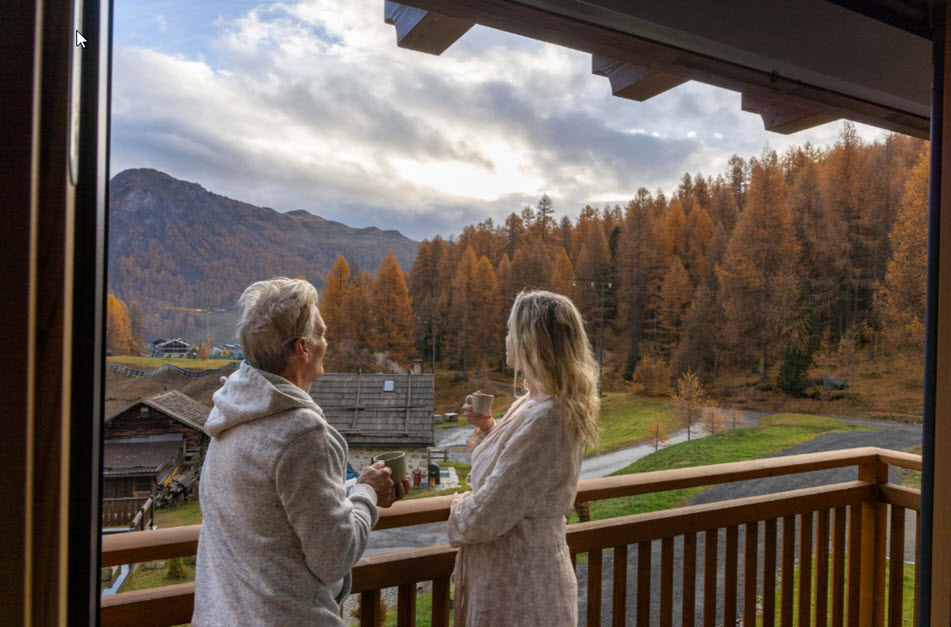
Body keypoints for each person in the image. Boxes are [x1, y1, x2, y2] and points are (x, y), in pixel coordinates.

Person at [193, 278, 410, 625]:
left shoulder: (230, 415)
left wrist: (356, 491)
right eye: (321, 334)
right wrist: (368, 491)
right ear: (302, 348)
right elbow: (334, 556)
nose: (327, 342)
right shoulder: (300, 433)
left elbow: (277, 513)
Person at [448, 289, 600, 626]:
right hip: (510, 580)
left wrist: (458, 505)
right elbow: (514, 472)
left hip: (522, 590)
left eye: (510, 331)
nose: (506, 339)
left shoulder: (549, 418)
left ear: (531, 341)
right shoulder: (530, 404)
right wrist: (489, 428)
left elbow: (483, 517)